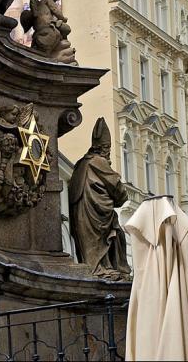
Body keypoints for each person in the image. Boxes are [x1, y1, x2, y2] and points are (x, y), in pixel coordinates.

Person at [68, 118, 130, 279]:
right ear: (103, 148)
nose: (108, 151)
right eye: (108, 148)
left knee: (94, 248)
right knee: (117, 238)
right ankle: (105, 269)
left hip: (81, 217)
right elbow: (118, 189)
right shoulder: (99, 162)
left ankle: (100, 267)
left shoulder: (81, 164)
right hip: (98, 218)